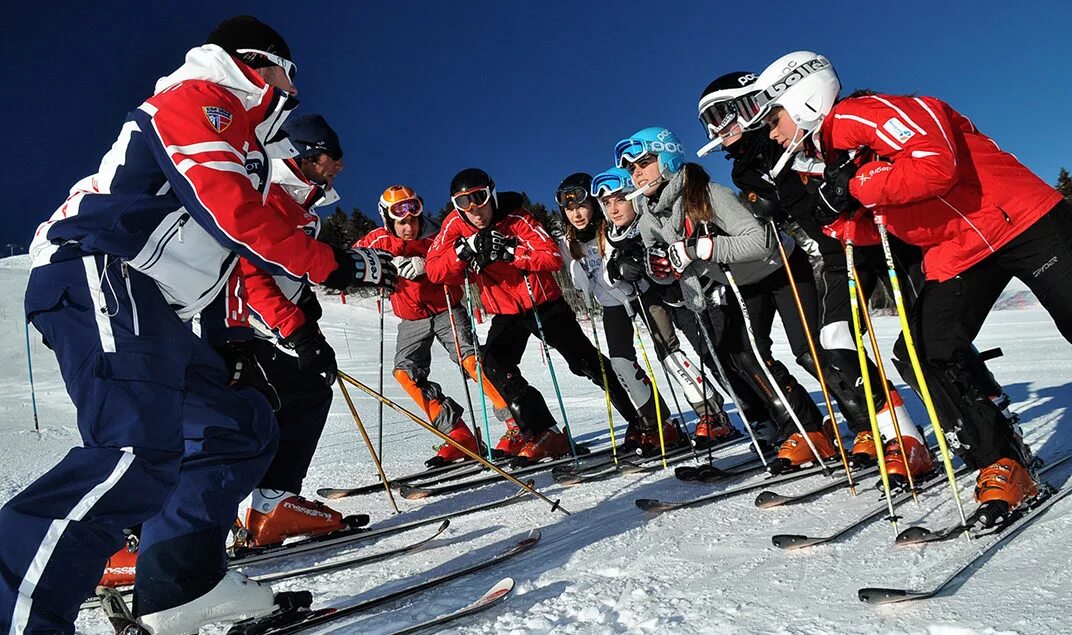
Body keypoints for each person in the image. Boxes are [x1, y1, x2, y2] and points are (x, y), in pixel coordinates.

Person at [0, 16, 395, 634]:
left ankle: (181, 586)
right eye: (292, 78)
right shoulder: (199, 97)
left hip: (153, 301)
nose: (294, 92)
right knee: (132, 451)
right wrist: (336, 264)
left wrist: (248, 325)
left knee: (235, 423)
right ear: (267, 66)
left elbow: (240, 244)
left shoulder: (247, 142)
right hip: (98, 267)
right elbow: (230, 213)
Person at [756, 49, 1072, 522]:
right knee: (927, 348)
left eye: (775, 116)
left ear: (802, 98)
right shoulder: (826, 158)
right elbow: (882, 223)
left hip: (1024, 219)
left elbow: (935, 163)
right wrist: (839, 222)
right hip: (959, 247)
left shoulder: (858, 115)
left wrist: (856, 186)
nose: (773, 131)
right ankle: (1002, 460)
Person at [694, 71, 931, 485]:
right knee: (833, 342)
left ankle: (978, 413)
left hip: (882, 235)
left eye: (719, 114)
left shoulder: (791, 131)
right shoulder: (743, 171)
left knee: (924, 337)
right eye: (706, 122)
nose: (715, 129)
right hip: (837, 250)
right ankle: (890, 432)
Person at [617, 126, 836, 474]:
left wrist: (699, 249)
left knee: (810, 351)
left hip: (781, 267)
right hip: (743, 283)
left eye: (645, 161)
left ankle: (875, 423)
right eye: (631, 168)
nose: (637, 172)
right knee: (745, 356)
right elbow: (670, 266)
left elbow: (760, 242)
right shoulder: (650, 217)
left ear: (669, 158)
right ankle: (804, 428)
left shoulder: (706, 194)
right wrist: (648, 266)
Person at [426, 168, 645, 466]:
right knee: (493, 364)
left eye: (480, 201)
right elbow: (435, 270)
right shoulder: (454, 225)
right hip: (505, 312)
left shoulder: (518, 219)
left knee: (584, 362)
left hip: (542, 302)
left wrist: (512, 253)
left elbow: (550, 258)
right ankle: (545, 433)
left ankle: (639, 418)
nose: (475, 213)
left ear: (491, 194)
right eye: (465, 205)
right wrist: (463, 252)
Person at [593, 168, 768, 450]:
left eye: (620, 199)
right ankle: (723, 415)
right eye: (607, 203)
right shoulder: (613, 233)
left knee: (720, 357)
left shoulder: (651, 216)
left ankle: (762, 413)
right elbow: (613, 273)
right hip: (660, 302)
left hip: (693, 296)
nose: (613, 209)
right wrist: (619, 269)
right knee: (676, 359)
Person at [357, 184, 521, 464]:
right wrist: (379, 268)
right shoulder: (377, 240)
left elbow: (461, 266)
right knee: (405, 374)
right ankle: (459, 435)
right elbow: (355, 261)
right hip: (410, 318)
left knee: (471, 361)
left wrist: (427, 263)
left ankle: (517, 425)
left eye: (413, 219)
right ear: (387, 220)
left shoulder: (437, 233)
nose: (409, 227)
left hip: (447, 307)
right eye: (401, 222)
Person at [556, 171, 683, 455]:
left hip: (641, 294)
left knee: (669, 352)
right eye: (569, 209)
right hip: (612, 305)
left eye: (582, 206)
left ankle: (709, 412)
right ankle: (656, 424)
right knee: (620, 364)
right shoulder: (568, 243)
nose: (576, 214)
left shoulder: (613, 228)